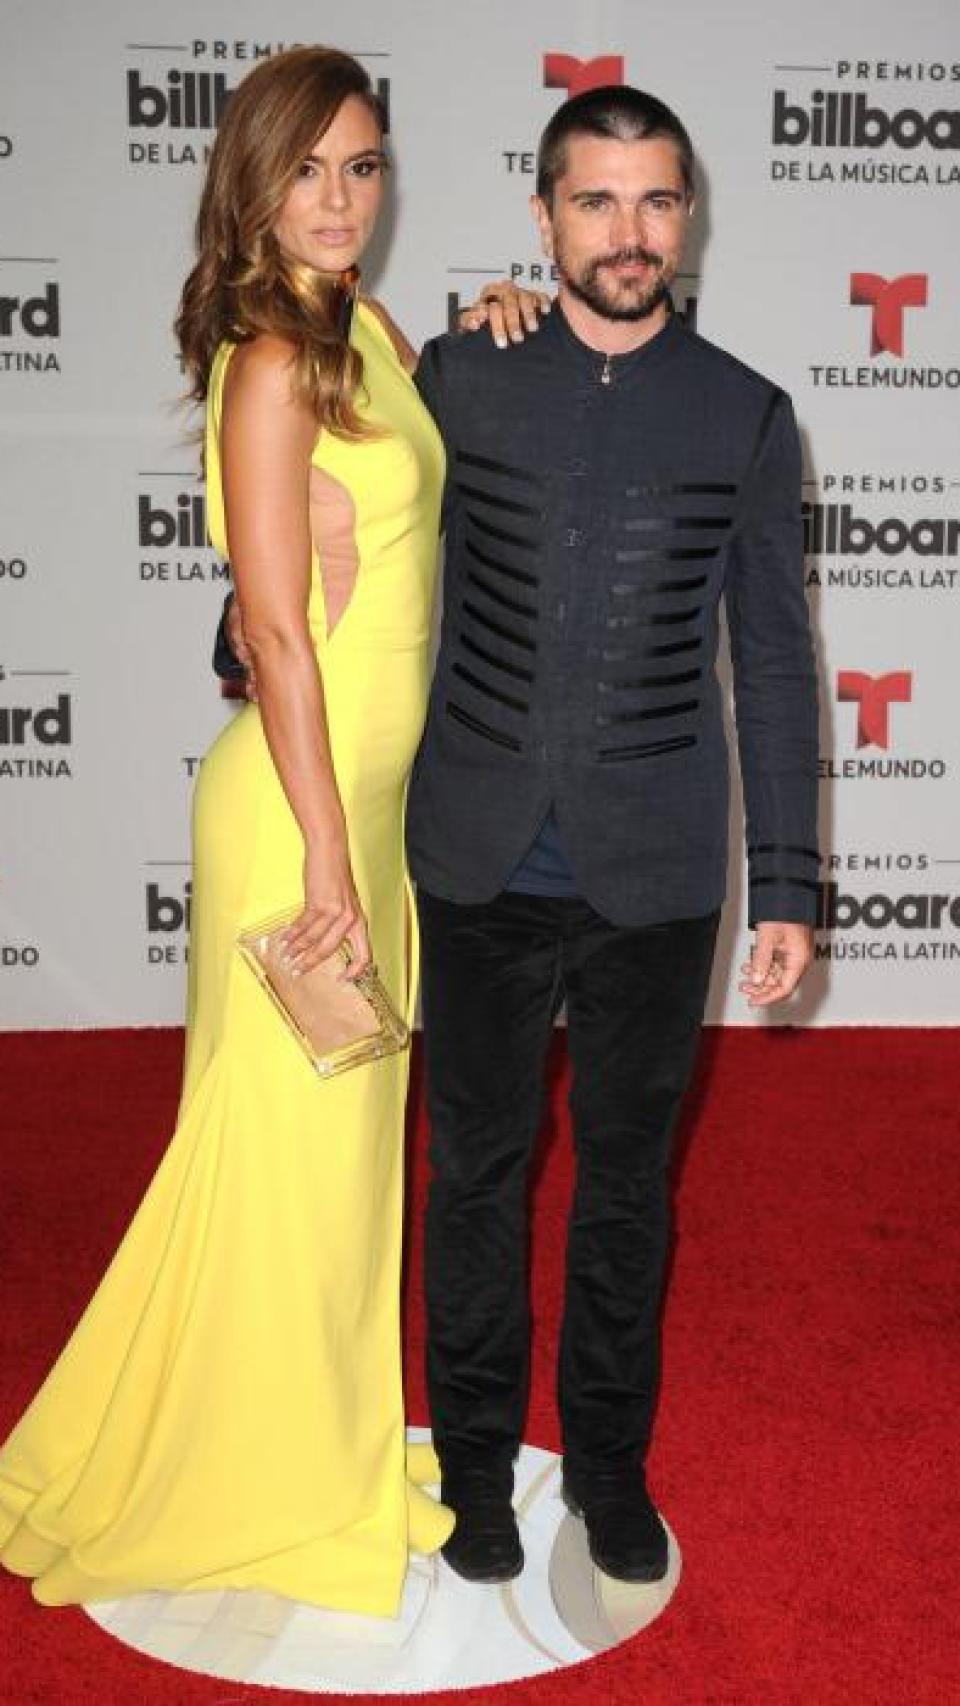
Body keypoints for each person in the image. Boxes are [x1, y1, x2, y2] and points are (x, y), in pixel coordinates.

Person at [0, 45, 541, 1615]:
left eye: (364, 166)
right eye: (308, 168)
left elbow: (411, 490)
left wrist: (488, 321)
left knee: (346, 1162)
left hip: (368, 810)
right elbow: (277, 633)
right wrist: (322, 860)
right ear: (251, 177)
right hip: (297, 815)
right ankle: (251, 1472)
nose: (339, 198)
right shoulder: (265, 356)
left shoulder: (361, 327)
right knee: (277, 1157)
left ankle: (329, 1444)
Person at [404, 85, 820, 1586]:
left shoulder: (748, 413)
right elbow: (358, 529)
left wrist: (787, 877)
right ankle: (468, 1474)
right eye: (596, 202)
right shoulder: (460, 372)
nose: (629, 233)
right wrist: (242, 627)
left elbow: (772, 657)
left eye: (656, 202)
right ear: (543, 216)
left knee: (629, 1182)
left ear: (686, 215)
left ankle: (604, 1465)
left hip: (654, 870)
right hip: (478, 852)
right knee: (477, 1173)